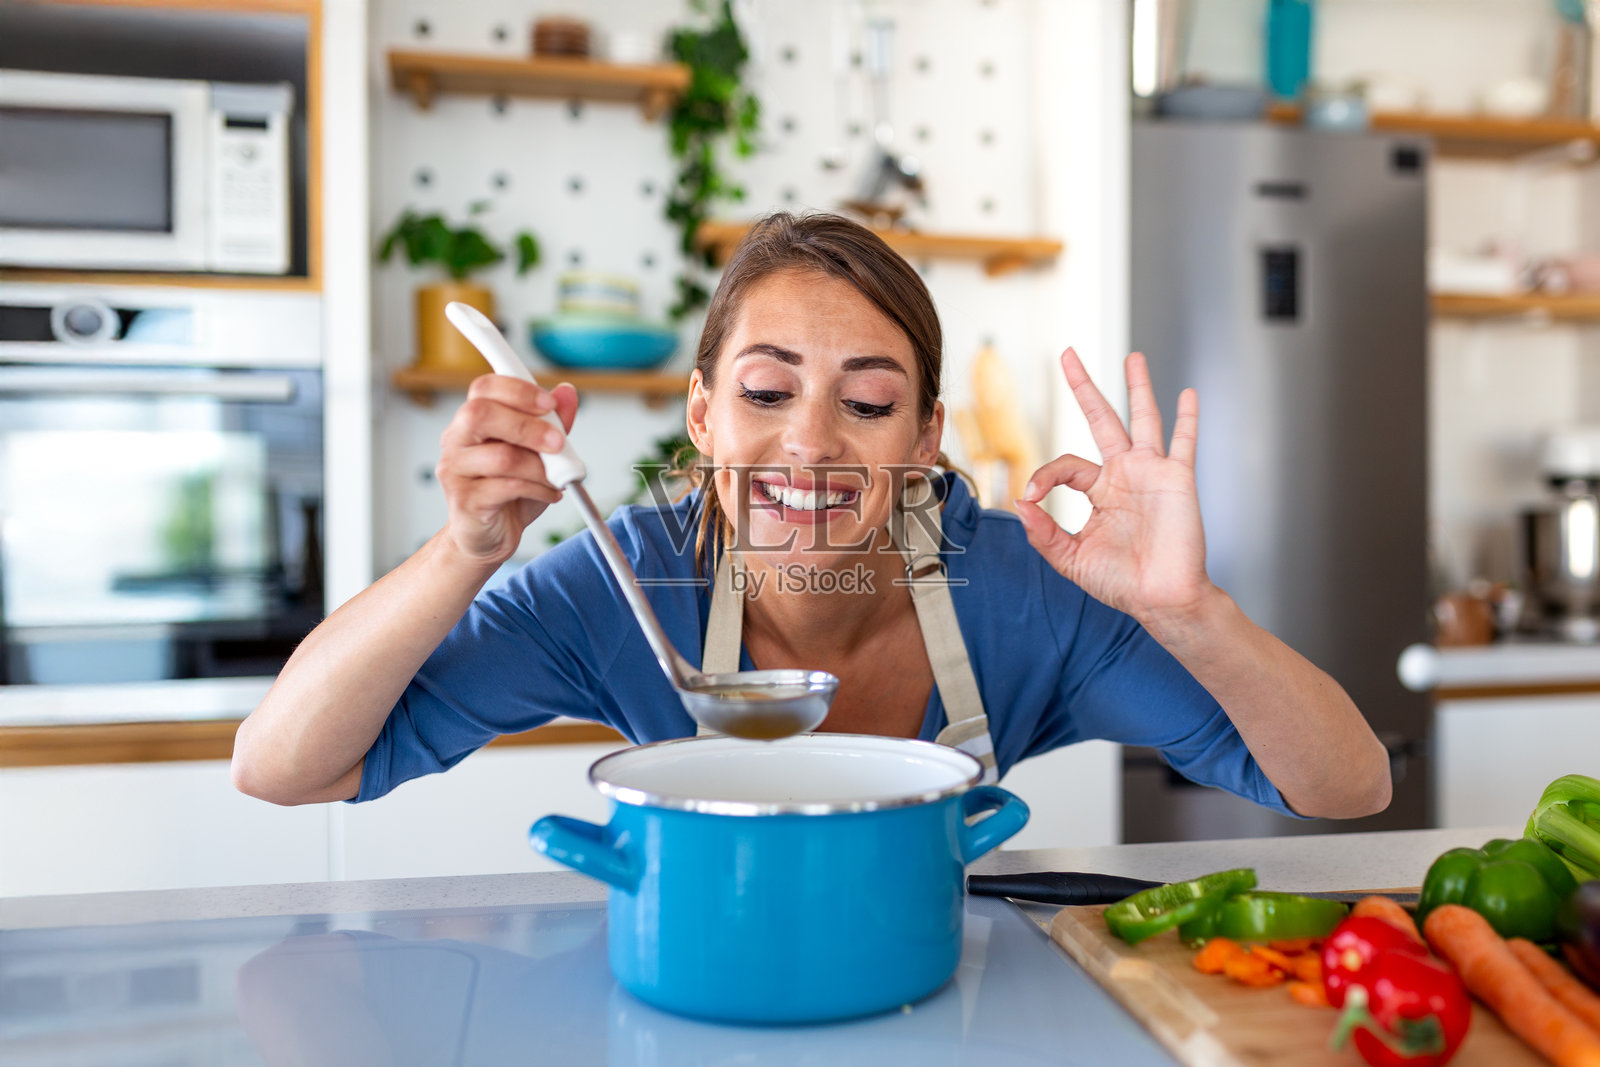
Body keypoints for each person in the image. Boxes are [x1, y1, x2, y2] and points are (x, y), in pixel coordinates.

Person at [232, 212, 1391, 819]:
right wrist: (467, 547)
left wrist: (1188, 612)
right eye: (767, 390)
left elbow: (1345, 787)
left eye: (870, 400)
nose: (811, 442)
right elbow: (284, 767)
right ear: (700, 413)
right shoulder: (620, 583)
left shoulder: (1029, 591)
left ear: (924, 437)